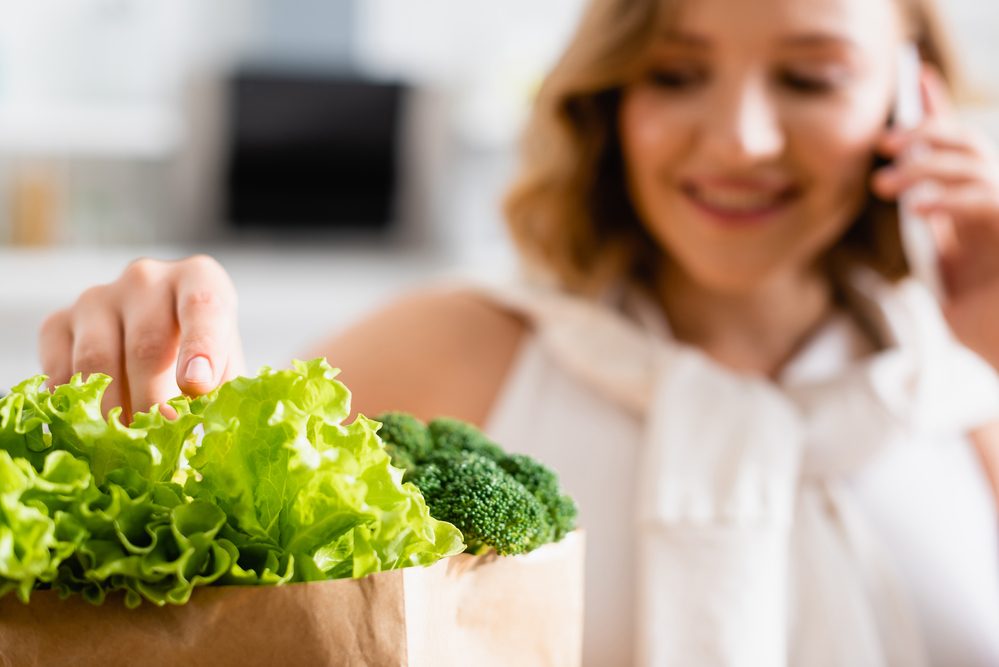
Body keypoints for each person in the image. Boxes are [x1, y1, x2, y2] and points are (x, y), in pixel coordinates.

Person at [37, 0, 999, 663]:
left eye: (809, 77)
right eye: (674, 73)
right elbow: (218, 583)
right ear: (610, 98)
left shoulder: (963, 390)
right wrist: (148, 396)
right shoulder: (456, 349)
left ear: (912, 100)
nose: (740, 137)